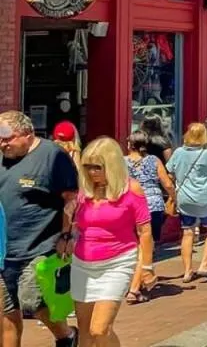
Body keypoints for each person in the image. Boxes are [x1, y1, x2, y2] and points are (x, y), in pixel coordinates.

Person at [0, 111, 79, 347]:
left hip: (40, 245)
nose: (3, 144)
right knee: (7, 311)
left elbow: (71, 198)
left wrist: (67, 234)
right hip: (5, 249)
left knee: (32, 302)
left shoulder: (52, 155)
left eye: (8, 138)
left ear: (27, 133)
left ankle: (67, 336)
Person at [71, 137, 153, 343]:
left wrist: (147, 267)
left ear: (111, 165)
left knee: (100, 329)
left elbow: (144, 231)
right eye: (87, 166)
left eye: (97, 167)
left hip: (117, 262)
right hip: (82, 263)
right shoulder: (85, 191)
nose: (91, 172)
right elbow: (76, 226)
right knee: (85, 333)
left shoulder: (130, 189)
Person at [166, 122, 207, 284]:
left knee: (188, 233)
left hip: (185, 198)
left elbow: (170, 172)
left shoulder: (178, 153)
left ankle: (187, 271)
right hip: (205, 198)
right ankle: (204, 264)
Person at [124, 131, 174, 284]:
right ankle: (138, 284)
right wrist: (174, 199)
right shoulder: (153, 160)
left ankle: (135, 282)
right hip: (153, 205)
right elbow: (167, 184)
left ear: (129, 145)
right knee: (147, 245)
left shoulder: (121, 162)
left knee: (134, 245)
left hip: (130, 206)